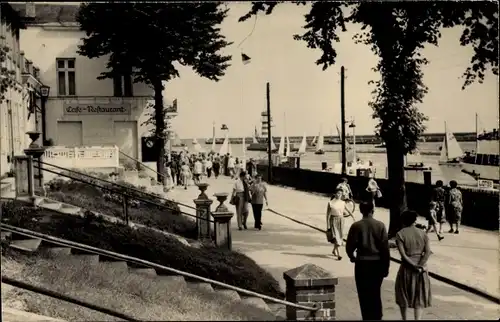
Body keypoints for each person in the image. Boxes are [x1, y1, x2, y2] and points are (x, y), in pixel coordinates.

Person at [346, 201, 390, 321]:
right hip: (377, 263)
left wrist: (352, 256)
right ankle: (377, 315)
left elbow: (350, 246)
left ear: (360, 210)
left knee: (363, 292)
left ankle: (367, 316)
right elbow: (385, 249)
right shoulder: (380, 225)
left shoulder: (356, 226)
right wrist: (386, 267)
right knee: (375, 291)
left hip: (362, 263)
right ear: (373, 210)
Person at [395, 210, 432, 321]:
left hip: (407, 268)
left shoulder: (400, 234)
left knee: (403, 295)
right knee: (419, 295)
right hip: (421, 269)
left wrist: (413, 265)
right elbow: (428, 252)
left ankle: (404, 318)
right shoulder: (423, 233)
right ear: (414, 220)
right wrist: (420, 266)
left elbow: (403, 255)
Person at [326, 188, 352, 260]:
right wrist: (327, 224)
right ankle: (338, 254)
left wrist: (351, 215)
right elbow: (328, 215)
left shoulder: (342, 203)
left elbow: (346, 211)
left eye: (340, 194)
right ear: (335, 194)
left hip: (341, 220)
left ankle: (334, 250)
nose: (339, 195)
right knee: (337, 237)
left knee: (339, 236)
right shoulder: (330, 203)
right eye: (338, 193)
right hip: (333, 220)